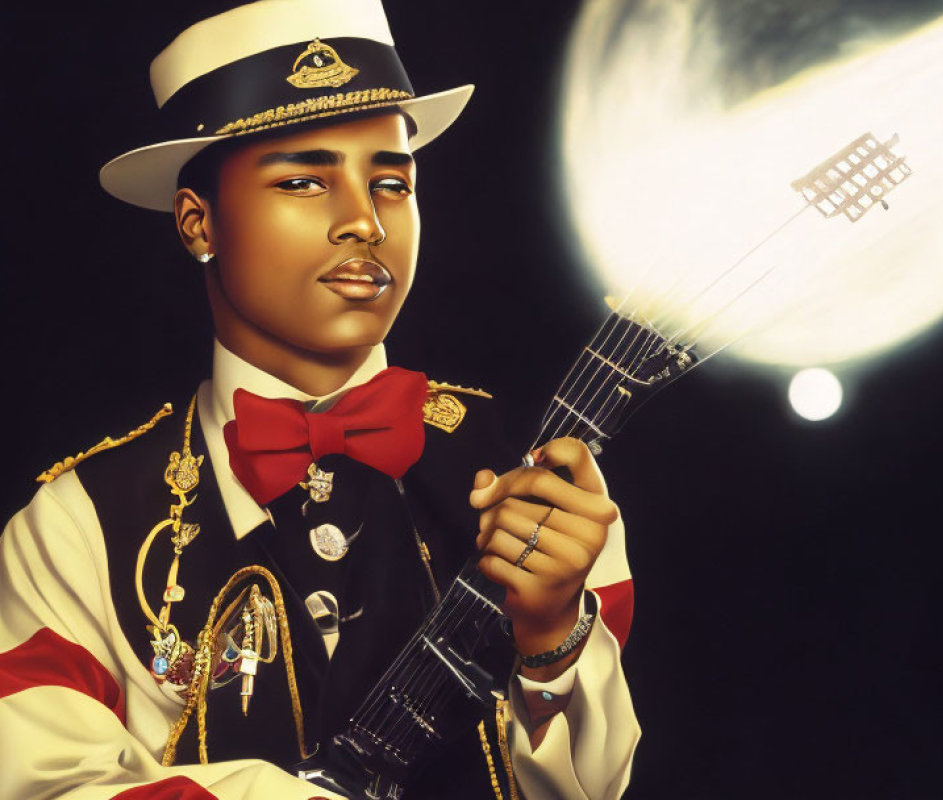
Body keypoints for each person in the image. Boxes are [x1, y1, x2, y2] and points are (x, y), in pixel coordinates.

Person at [0, 1, 639, 798]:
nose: (364, 223)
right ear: (198, 222)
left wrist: (552, 641)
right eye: (304, 180)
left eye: (392, 183)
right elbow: (43, 786)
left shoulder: (529, 470)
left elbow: (593, 789)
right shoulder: (76, 524)